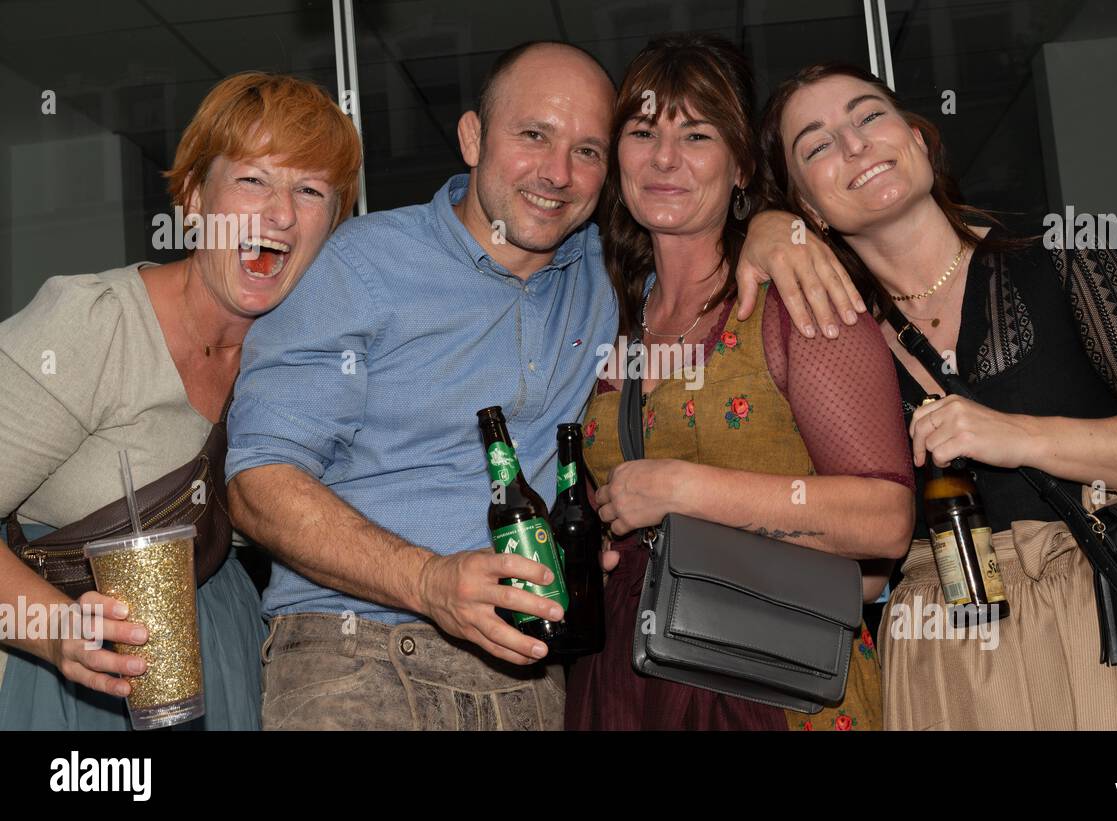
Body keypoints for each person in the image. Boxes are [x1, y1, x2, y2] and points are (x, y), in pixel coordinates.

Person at [225, 40, 864, 731]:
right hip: (360, 656)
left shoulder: (608, 281)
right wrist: (427, 581)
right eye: (534, 136)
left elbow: (704, 244)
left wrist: (772, 227)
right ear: (473, 137)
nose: (557, 173)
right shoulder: (361, 264)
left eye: (587, 151)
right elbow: (257, 482)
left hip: (534, 674)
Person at [761, 62, 1117, 730]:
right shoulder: (834, 348)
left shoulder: (1072, 255)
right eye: (815, 145)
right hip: (946, 659)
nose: (854, 145)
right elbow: (868, 576)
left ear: (919, 140)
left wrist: (1017, 434)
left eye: (869, 115)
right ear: (807, 208)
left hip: (1109, 634)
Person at [564, 34, 915, 732]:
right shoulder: (607, 313)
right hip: (629, 680)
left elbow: (886, 519)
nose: (665, 160)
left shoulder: (796, 296)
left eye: (696, 134)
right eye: (642, 132)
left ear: (742, 165)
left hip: (774, 684)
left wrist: (683, 494)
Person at [0, 71, 361, 730]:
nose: (280, 213)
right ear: (193, 199)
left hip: (224, 649)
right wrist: (57, 631)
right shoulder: (94, 324)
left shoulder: (292, 363)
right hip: (76, 678)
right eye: (253, 178)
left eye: (310, 191)